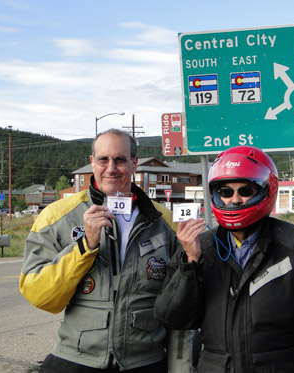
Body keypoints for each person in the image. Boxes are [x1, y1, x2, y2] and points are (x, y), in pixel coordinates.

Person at [155, 145, 294, 372]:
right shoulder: (199, 247)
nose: (235, 200)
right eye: (226, 192)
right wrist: (190, 264)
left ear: (265, 190)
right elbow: (174, 317)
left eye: (245, 191)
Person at [20, 129, 194, 372]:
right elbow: (39, 296)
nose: (111, 168)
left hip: (145, 361)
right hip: (77, 359)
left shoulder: (163, 220)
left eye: (120, 159)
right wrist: (84, 247)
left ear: (134, 163)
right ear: (92, 163)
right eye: (103, 159)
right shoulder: (57, 216)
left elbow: (179, 305)